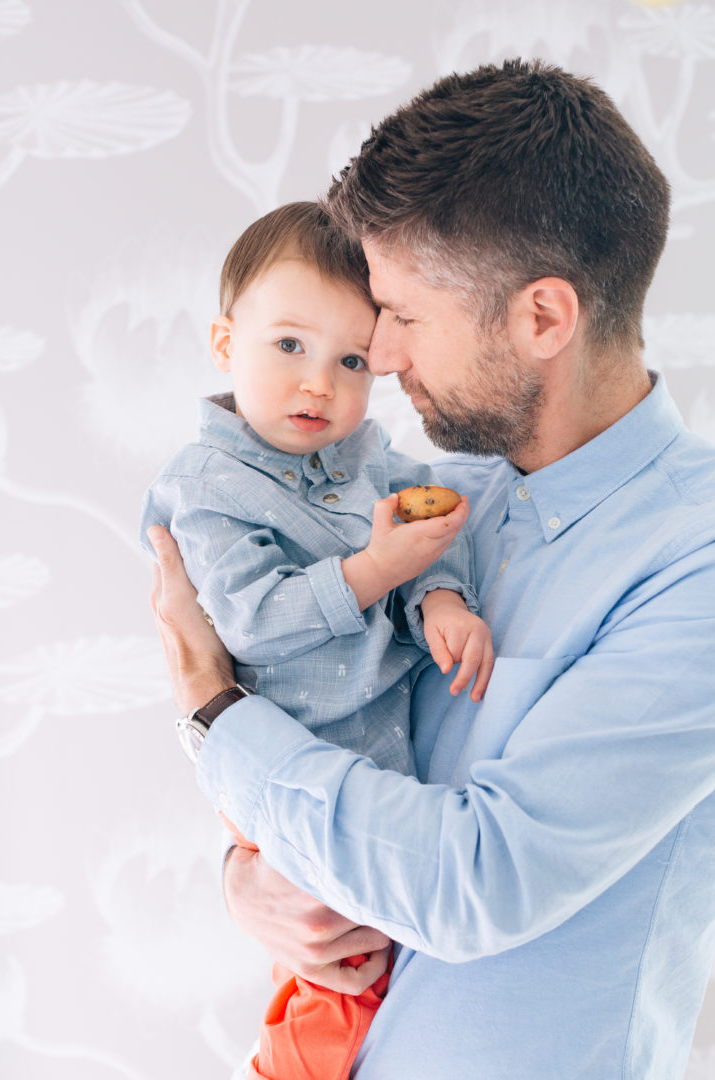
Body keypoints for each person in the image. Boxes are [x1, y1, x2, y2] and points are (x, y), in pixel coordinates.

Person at [148, 59, 715, 1078]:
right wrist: (248, 875)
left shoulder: (696, 565)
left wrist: (214, 715)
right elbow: (334, 736)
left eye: (403, 317)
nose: (385, 356)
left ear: (543, 318)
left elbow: (477, 879)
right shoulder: (432, 502)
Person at [141, 200, 492, 1079]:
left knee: (362, 959)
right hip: (283, 760)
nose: (319, 385)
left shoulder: (369, 461)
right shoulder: (211, 483)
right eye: (289, 346)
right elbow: (251, 620)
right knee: (345, 966)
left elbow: (434, 520)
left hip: (366, 758)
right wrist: (375, 570)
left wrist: (441, 596)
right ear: (227, 344)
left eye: (351, 361)